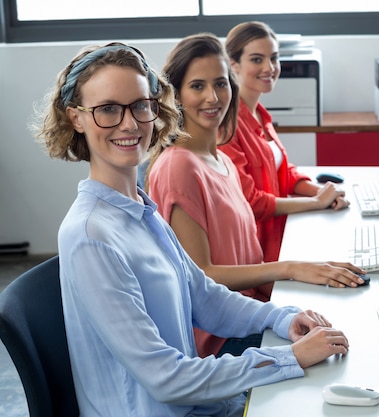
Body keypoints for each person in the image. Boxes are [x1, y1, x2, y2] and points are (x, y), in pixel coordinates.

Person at [33, 41, 349, 417]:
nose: (130, 123)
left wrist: (281, 317)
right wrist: (288, 358)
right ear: (77, 118)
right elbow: (166, 379)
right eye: (108, 110)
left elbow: (204, 296)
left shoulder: (137, 206)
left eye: (140, 105)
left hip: (199, 404)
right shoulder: (90, 235)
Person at [145, 33, 365, 358]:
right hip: (220, 339)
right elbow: (202, 275)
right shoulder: (178, 167)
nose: (213, 97)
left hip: (253, 313)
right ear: (176, 95)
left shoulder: (220, 160)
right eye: (197, 86)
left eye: (221, 83)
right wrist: (289, 269)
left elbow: (247, 258)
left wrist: (308, 276)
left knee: (346, 317)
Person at [222, 21, 350, 263]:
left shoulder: (260, 114)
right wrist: (315, 202)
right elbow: (251, 202)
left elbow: (284, 173)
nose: (269, 68)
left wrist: (325, 193)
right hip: (258, 250)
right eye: (257, 59)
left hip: (284, 232)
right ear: (234, 64)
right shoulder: (227, 126)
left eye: (274, 58)